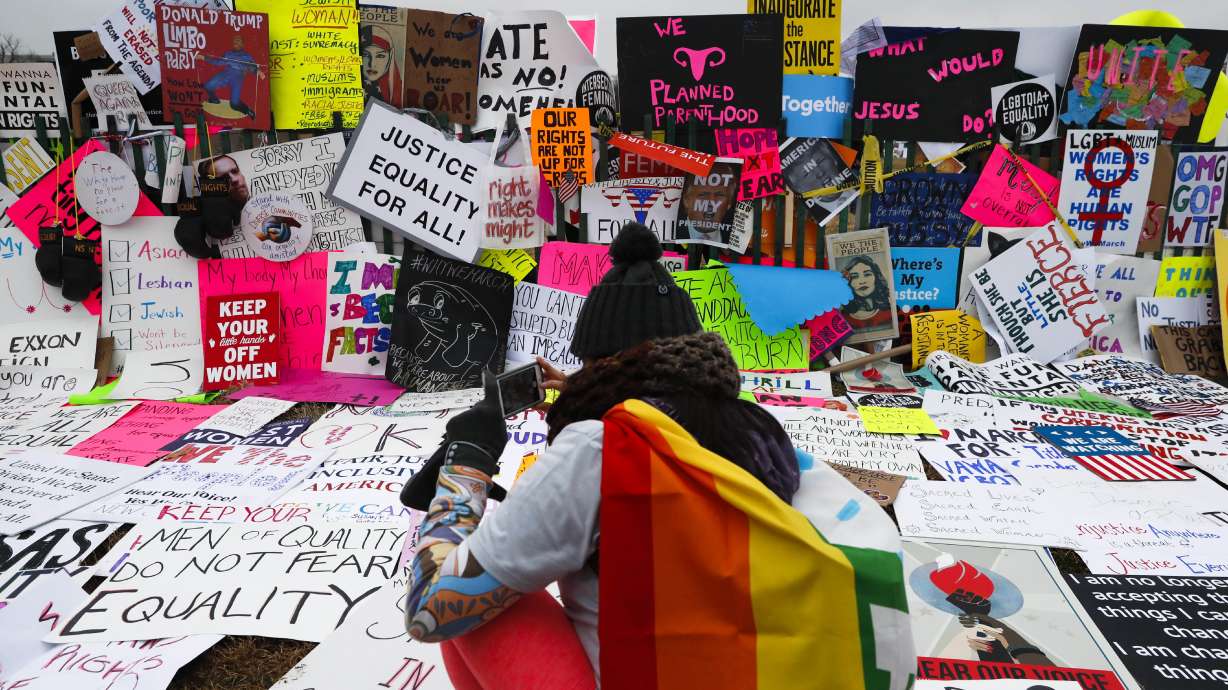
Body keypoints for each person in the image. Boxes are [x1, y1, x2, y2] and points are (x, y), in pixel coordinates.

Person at [400, 224, 913, 689]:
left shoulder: (603, 448)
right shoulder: (754, 427)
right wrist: (587, 392)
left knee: (472, 593)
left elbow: (431, 610)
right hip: (757, 669)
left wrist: (467, 461)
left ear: (595, 359)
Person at [199, 36, 262, 119]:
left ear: (242, 44)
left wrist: (258, 71)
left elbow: (252, 67)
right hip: (226, 74)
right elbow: (218, 62)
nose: (236, 42)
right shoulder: (228, 53)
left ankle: (248, 110)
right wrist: (203, 57)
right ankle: (214, 100)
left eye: (238, 41)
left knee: (234, 104)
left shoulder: (247, 56)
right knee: (208, 86)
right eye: (235, 41)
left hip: (237, 77)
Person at [838, 255, 894, 330]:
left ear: (876, 278)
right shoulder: (842, 318)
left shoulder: (890, 313)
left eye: (867, 274)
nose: (862, 281)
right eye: (854, 277)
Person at [360, 24, 403, 105]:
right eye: (365, 55)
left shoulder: (396, 90)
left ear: (390, 56)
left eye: (380, 56)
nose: (372, 64)